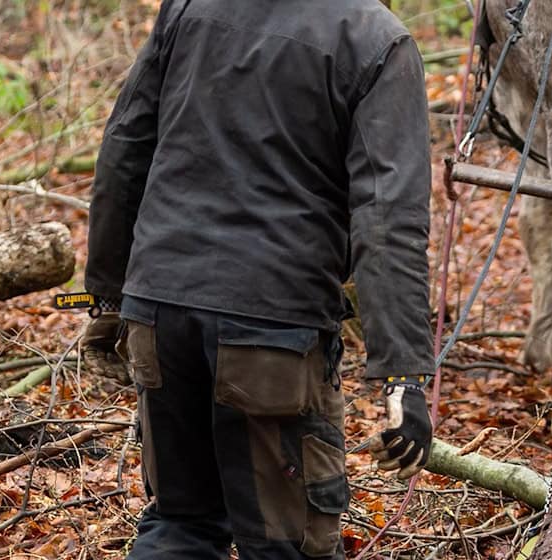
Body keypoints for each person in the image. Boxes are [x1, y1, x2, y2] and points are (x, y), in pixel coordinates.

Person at [79, 1, 435, 558]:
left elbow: (123, 147)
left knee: (181, 526)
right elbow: (388, 219)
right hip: (274, 329)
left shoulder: (189, 7)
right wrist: (405, 376)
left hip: (161, 311)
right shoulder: (377, 39)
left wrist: (107, 294)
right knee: (285, 545)